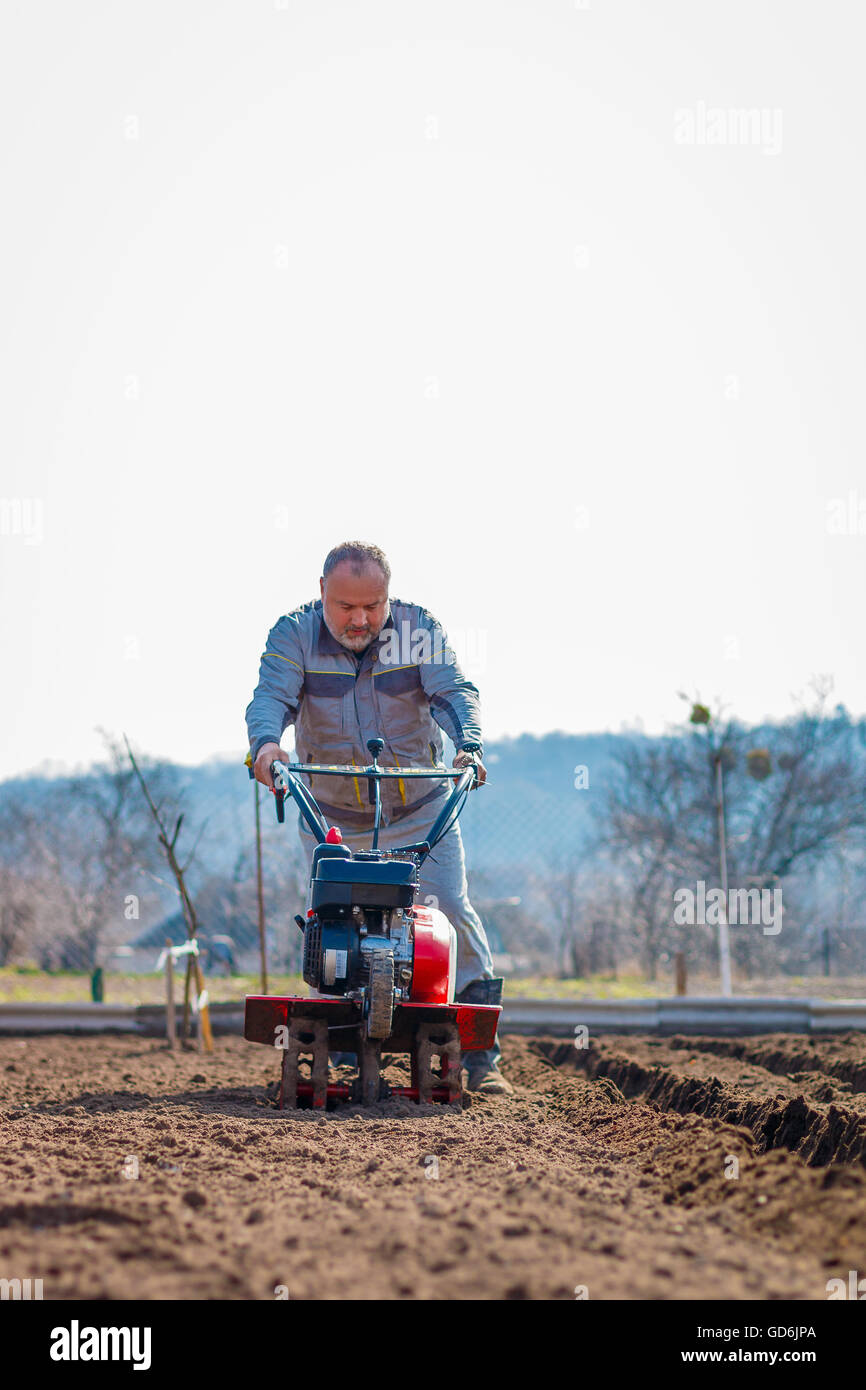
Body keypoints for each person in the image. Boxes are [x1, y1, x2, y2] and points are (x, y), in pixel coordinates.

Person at [245, 540, 512, 1095]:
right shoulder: (292, 635)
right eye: (346, 607)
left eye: (373, 605)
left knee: (451, 913)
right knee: (332, 926)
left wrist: (469, 747)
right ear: (322, 594)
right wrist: (267, 749)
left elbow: (453, 693)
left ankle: (481, 1058)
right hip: (333, 818)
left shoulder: (419, 631)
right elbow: (270, 699)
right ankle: (340, 1047)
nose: (361, 619)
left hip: (419, 809)